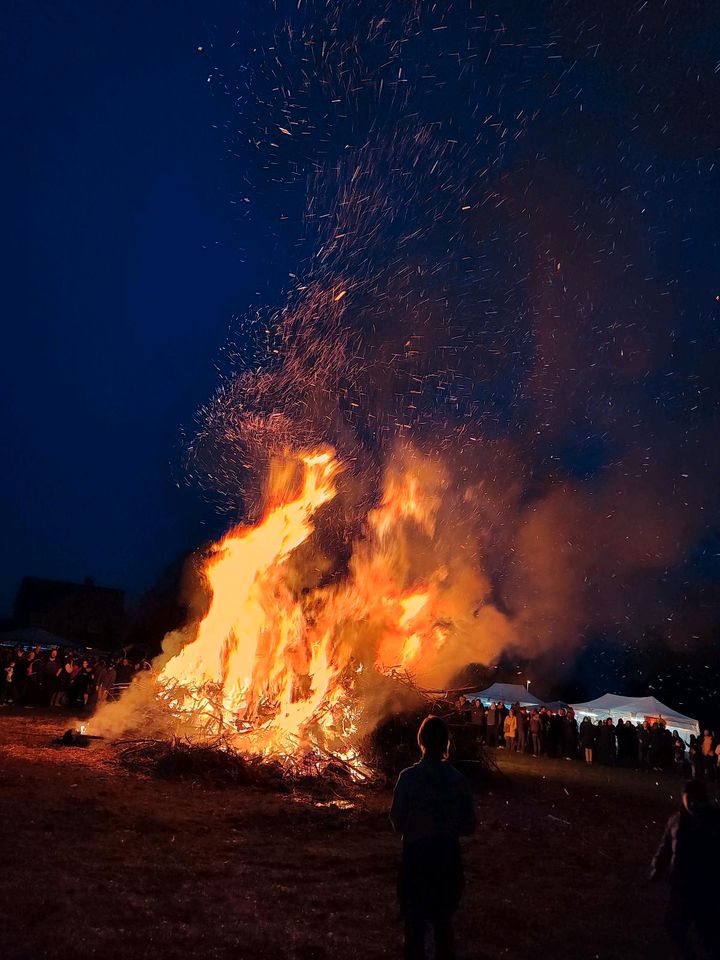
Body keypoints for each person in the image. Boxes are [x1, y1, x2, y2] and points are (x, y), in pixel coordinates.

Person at [390, 715, 476, 960]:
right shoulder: (458, 781)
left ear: (421, 742)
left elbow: (396, 821)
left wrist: (418, 827)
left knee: (414, 928)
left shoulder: (408, 778)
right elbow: (469, 825)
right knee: (443, 926)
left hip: (415, 861)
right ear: (446, 744)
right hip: (447, 861)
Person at [650, 780, 720, 958]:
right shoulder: (676, 821)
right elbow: (665, 847)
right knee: (673, 924)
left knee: (708, 932)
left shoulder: (714, 821)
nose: (692, 803)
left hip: (706, 886)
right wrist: (657, 867)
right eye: (688, 798)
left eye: (696, 799)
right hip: (681, 884)